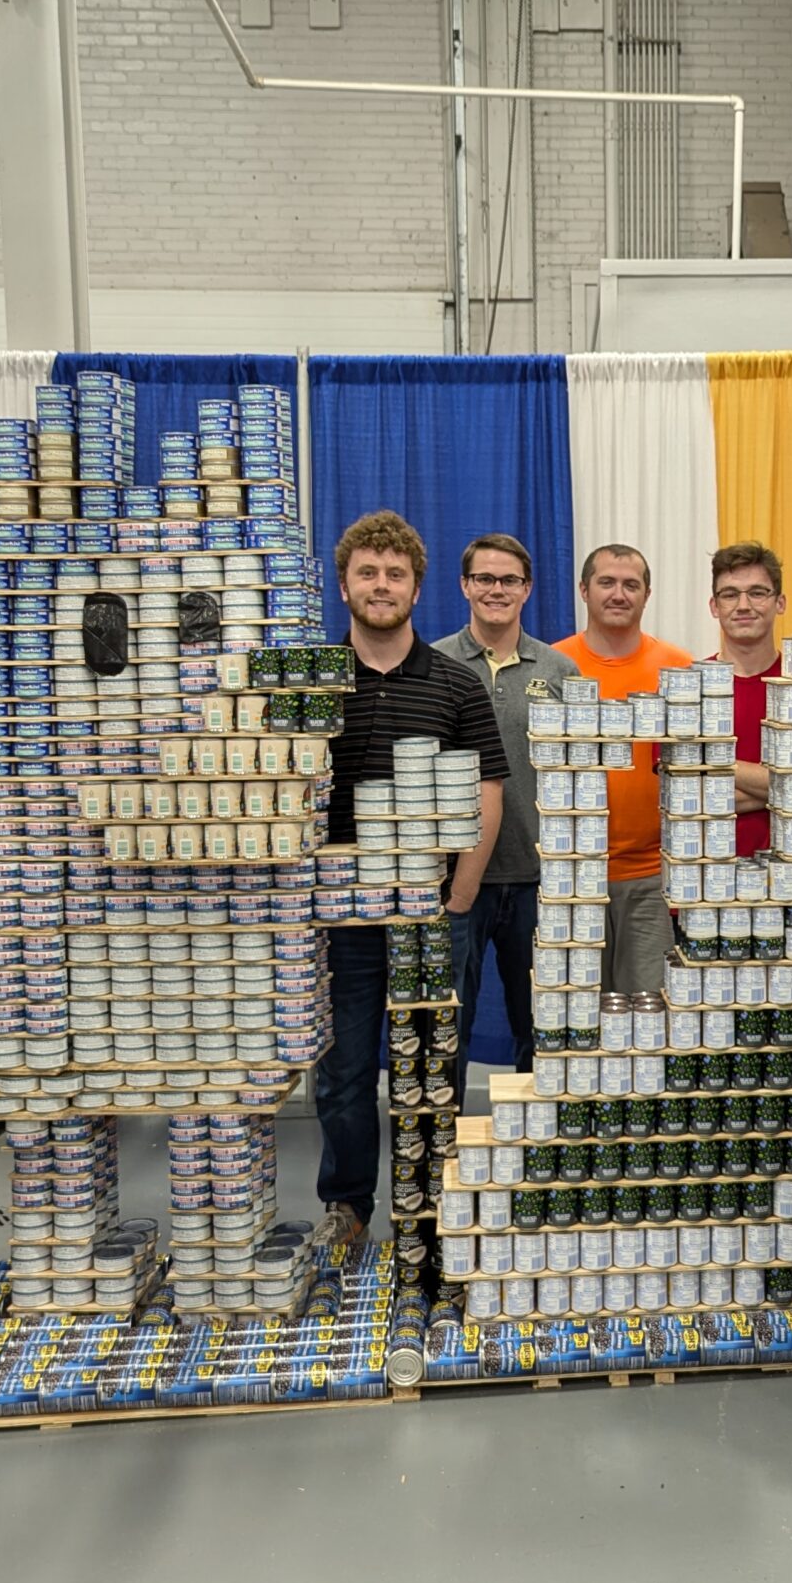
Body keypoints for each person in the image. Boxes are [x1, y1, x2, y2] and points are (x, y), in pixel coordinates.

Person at [315, 512, 506, 1248]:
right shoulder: (316, 681)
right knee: (344, 1073)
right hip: (344, 921)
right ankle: (349, 1206)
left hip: (431, 916)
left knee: (435, 1068)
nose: (382, 585)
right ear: (344, 585)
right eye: (368, 572)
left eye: (395, 574)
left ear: (418, 588)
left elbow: (490, 792)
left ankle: (433, 1204)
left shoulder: (457, 685)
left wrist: (459, 899)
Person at [435, 533, 575, 1078]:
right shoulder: (434, 665)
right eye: (485, 579)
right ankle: (440, 1139)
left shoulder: (560, 672)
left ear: (528, 588)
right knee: (449, 1023)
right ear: (465, 586)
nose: (497, 589)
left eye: (509, 580)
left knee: (540, 1025)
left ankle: (534, 1140)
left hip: (539, 879)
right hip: (454, 881)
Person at [554, 544, 690, 993]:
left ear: (647, 595)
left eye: (631, 584)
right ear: (583, 591)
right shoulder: (555, 666)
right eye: (607, 582)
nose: (619, 594)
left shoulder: (678, 667)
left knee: (649, 1017)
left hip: (651, 877)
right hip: (570, 875)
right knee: (576, 1014)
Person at [707, 542, 785, 858]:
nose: (743, 605)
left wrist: (708, 762)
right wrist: (782, 785)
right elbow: (685, 794)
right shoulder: (684, 688)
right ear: (714, 606)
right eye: (730, 594)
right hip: (703, 878)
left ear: (780, 602)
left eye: (757, 592)